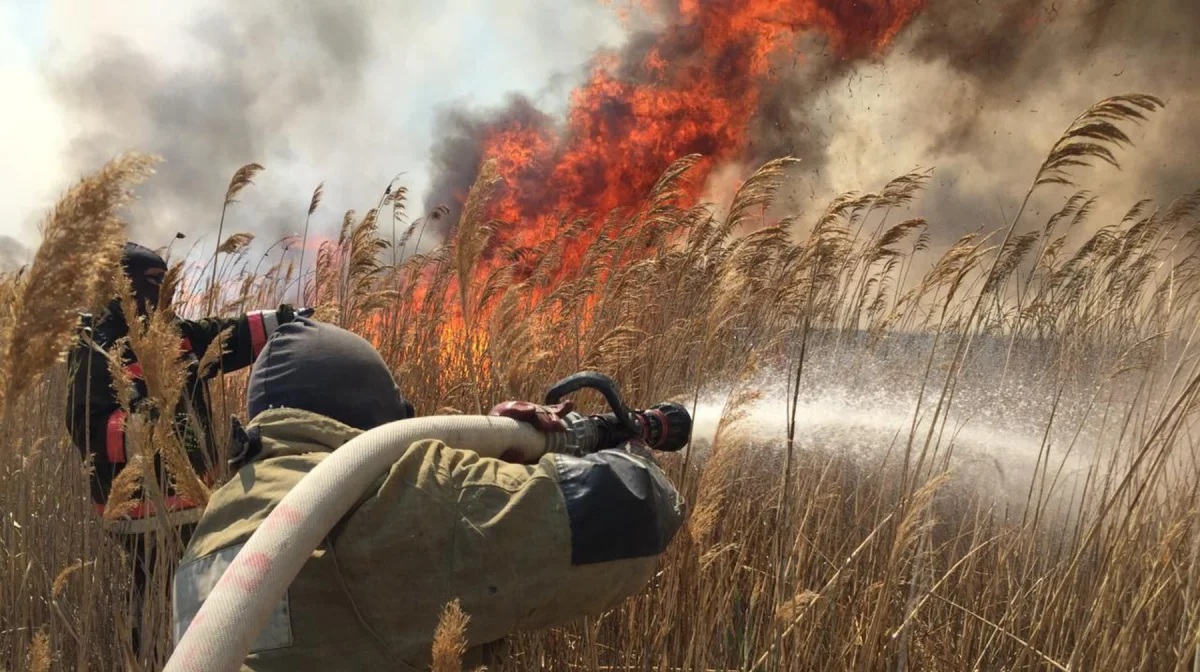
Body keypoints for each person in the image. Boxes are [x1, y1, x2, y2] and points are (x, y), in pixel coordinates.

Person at [172, 317, 686, 670]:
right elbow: (635, 508)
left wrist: (497, 457)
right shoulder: (391, 496)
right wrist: (633, 445)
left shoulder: (213, 533)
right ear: (379, 417)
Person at [64, 241, 307, 642]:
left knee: (194, 590)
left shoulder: (169, 330)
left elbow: (226, 335)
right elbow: (90, 429)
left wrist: (286, 320)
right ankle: (156, 649)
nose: (167, 291)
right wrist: (175, 432)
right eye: (155, 282)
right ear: (124, 285)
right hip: (142, 510)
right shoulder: (97, 346)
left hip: (192, 501)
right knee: (161, 594)